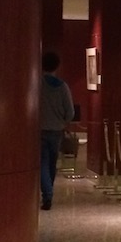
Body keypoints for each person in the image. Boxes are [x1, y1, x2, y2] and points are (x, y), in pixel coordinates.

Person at [39, 51, 75, 210]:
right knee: (52, 164)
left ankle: (47, 194)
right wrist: (64, 122)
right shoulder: (62, 87)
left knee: (42, 163)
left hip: (40, 130)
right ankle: (49, 192)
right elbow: (70, 111)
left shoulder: (38, 84)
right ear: (57, 66)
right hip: (57, 131)